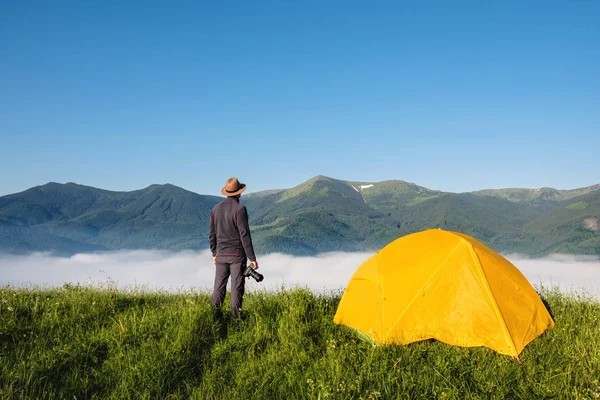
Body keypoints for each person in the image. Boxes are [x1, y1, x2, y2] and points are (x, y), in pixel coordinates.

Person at [209, 177, 259, 318]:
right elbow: (245, 235)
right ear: (239, 193)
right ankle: (236, 320)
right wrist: (252, 258)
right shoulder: (240, 209)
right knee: (236, 288)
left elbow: (212, 234)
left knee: (218, 288)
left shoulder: (215, 209)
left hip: (220, 255)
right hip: (237, 256)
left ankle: (214, 318)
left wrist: (214, 253)